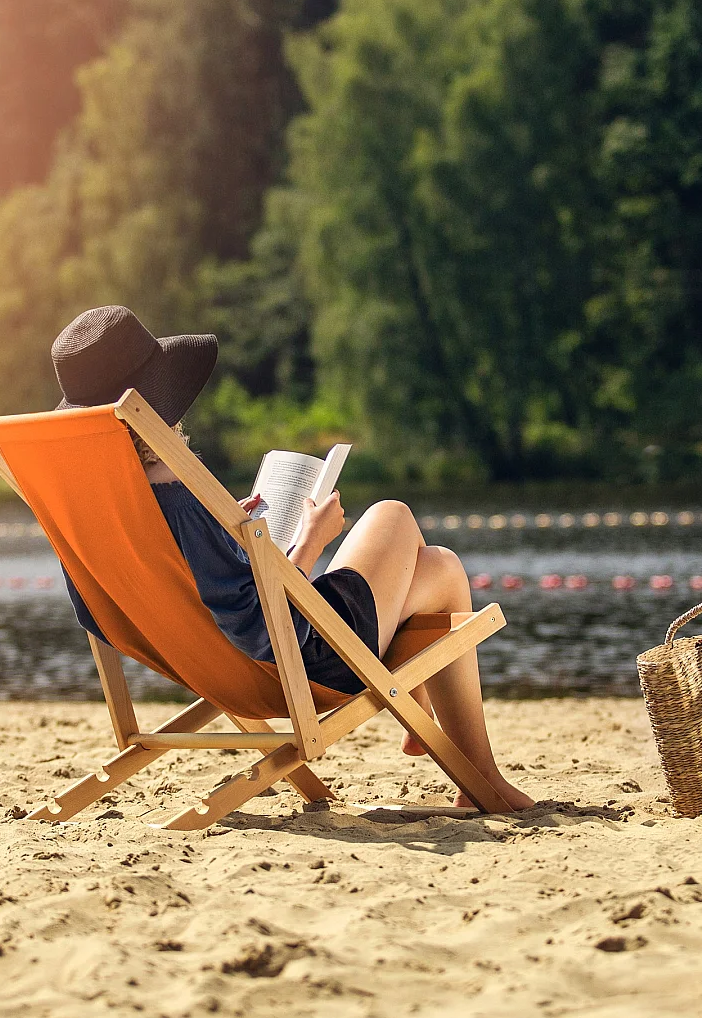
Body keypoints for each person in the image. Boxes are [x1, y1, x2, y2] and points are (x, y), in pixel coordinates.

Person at [49, 305, 533, 811]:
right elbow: (264, 626)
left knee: (442, 566)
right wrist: (311, 542)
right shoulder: (173, 494)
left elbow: (104, 612)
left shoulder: (99, 505)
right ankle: (443, 735)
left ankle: (461, 761)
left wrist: (223, 538)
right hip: (303, 661)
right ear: (152, 405)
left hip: (207, 667)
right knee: (393, 514)